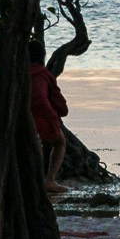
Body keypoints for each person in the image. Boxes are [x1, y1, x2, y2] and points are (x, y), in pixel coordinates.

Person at [28, 49, 71, 196]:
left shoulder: (18, 72)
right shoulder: (44, 74)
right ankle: (50, 180)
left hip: (21, 115)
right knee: (59, 142)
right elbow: (57, 101)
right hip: (41, 113)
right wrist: (56, 114)